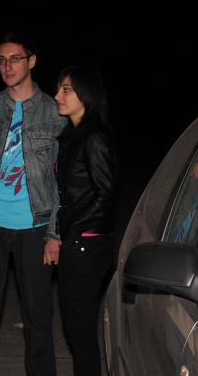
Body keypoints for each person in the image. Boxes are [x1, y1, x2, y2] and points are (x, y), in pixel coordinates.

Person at [0, 32, 66, 376]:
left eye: (15, 59)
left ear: (31, 61)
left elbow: (63, 182)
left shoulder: (55, 112)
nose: (7, 66)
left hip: (35, 226)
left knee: (38, 319)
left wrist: (55, 232)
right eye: (1, 60)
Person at [53, 65, 116, 376]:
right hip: (79, 242)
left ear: (86, 95)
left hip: (86, 245)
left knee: (81, 333)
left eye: (67, 90)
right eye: (59, 89)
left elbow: (106, 193)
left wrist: (73, 232)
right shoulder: (74, 134)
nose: (58, 96)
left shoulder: (94, 138)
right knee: (77, 331)